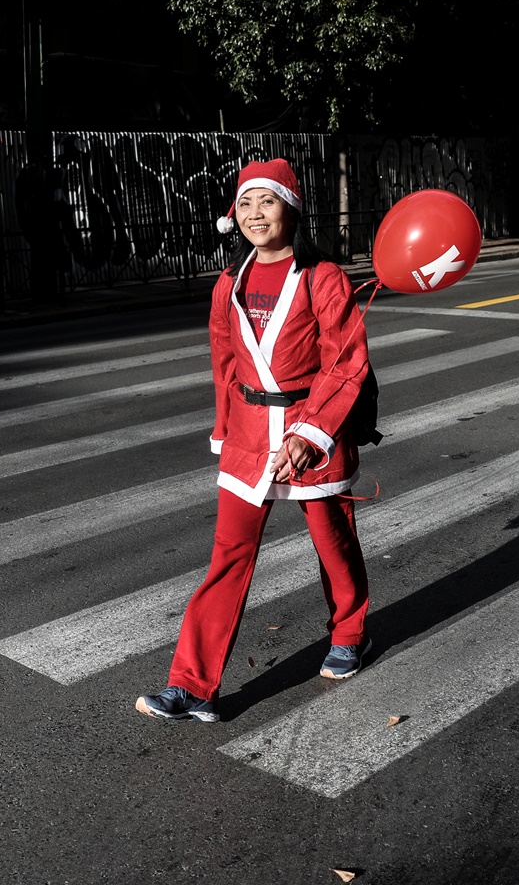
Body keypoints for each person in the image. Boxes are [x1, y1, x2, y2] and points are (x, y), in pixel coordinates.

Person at [136, 158, 373, 723]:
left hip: (311, 431)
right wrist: (224, 431)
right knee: (227, 557)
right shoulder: (228, 284)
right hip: (247, 436)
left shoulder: (324, 277)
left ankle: (350, 631)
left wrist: (310, 433)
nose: (254, 213)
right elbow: (224, 362)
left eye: (266, 201)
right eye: (244, 203)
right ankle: (192, 684)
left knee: (333, 541)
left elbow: (345, 362)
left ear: (290, 207)